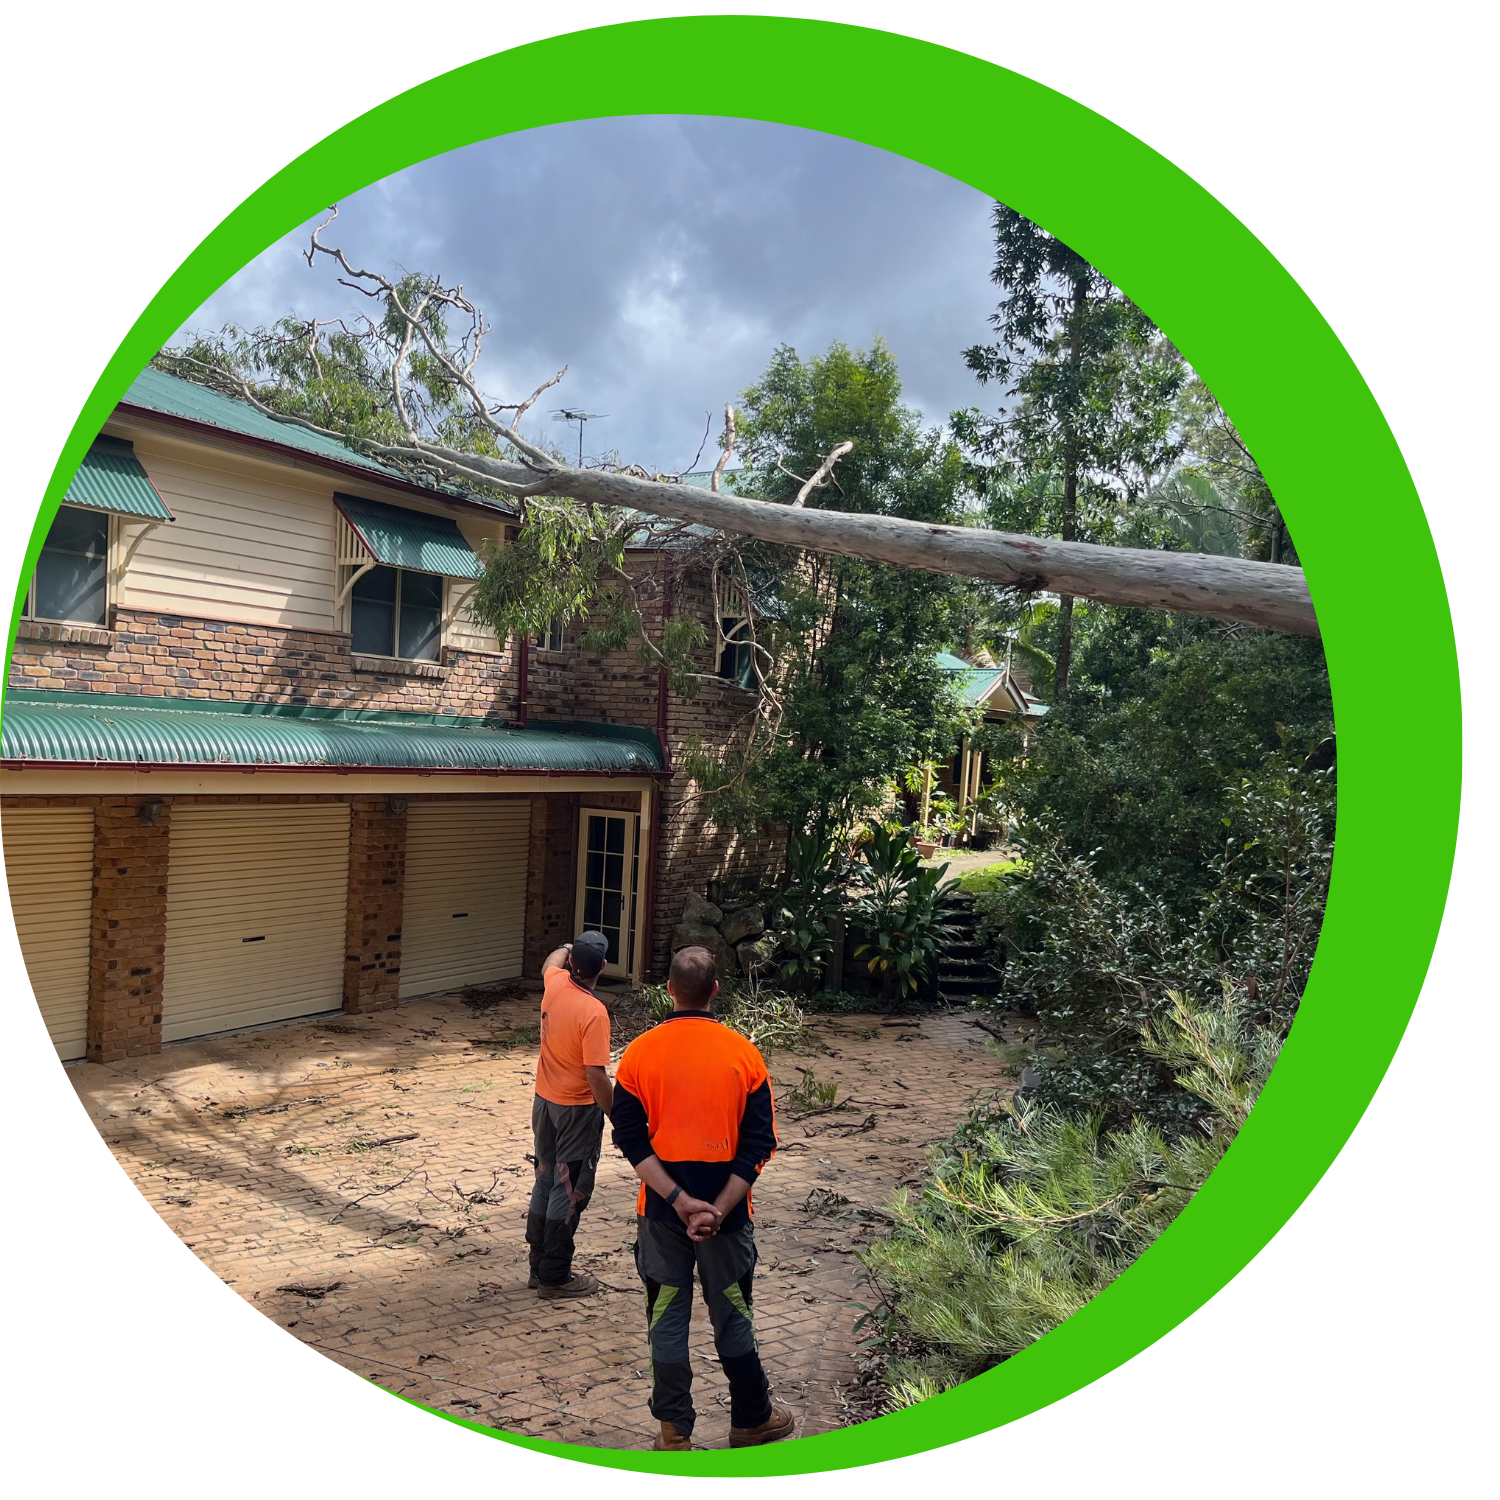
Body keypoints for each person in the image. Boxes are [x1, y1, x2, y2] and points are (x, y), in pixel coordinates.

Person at [609, 946, 794, 1452]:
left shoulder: (639, 1054)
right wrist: (718, 1208)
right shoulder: (744, 1054)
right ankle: (752, 1420)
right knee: (733, 1312)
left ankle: (674, 1433)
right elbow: (760, 1144)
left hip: (661, 1214)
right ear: (716, 991)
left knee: (666, 1316)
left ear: (668, 990)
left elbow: (629, 1138)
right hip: (728, 1219)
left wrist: (677, 1200)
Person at [527, 930, 614, 1299]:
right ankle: (555, 1276)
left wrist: (565, 947)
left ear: (573, 963)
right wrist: (617, 1115)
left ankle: (538, 1266)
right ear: (604, 967)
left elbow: (549, 962)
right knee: (569, 1188)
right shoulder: (593, 1012)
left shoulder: (555, 983)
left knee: (546, 1179)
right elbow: (596, 1074)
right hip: (576, 1110)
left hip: (544, 1103)